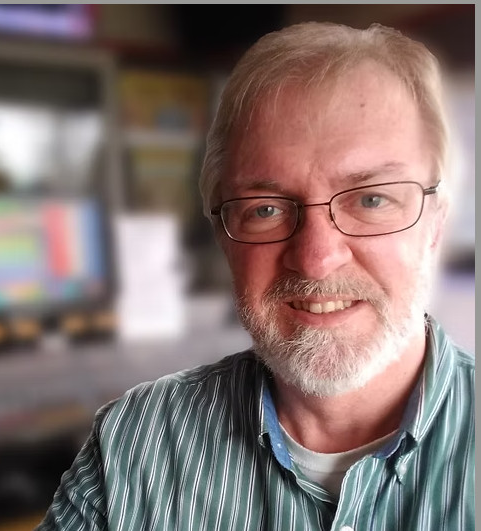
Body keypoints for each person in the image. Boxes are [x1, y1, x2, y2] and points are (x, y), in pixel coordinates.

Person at [37, 21, 474, 530]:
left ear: (436, 222)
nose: (315, 259)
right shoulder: (130, 447)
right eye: (265, 209)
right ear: (224, 236)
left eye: (371, 200)